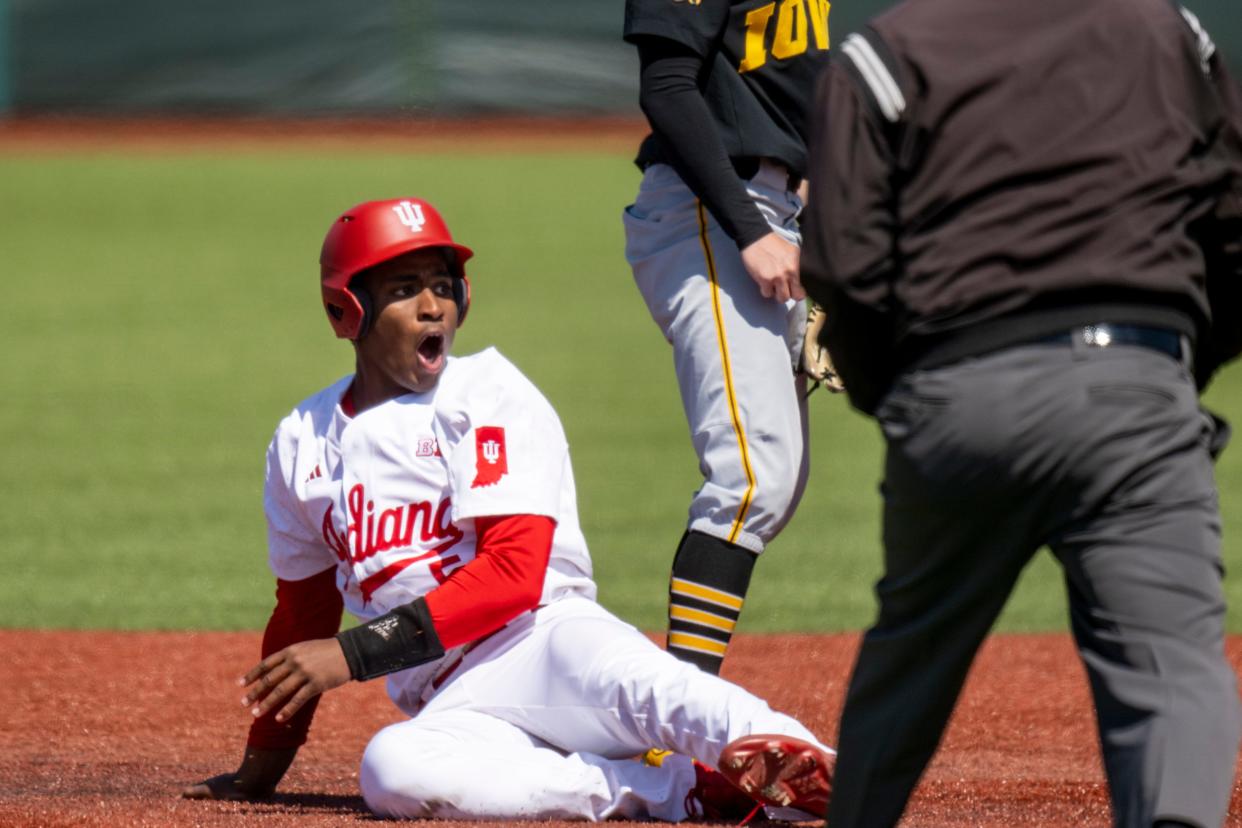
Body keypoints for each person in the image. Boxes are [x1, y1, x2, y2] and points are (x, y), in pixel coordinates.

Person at [179, 196, 835, 821]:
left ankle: (812, 763)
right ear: (346, 312)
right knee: (391, 771)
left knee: (652, 687)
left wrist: (352, 653)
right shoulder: (301, 439)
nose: (434, 305)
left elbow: (514, 573)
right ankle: (674, 790)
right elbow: (303, 615)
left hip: (546, 638)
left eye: (443, 284)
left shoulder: (487, 390)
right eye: (405, 289)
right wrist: (257, 771)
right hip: (453, 702)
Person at [799, 0, 1242, 825]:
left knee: (912, 656)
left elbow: (841, 260)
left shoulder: (882, 53)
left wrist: (896, 396)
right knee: (1172, 671)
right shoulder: (1169, 30)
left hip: (959, 392)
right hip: (1136, 389)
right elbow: (1233, 224)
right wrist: (1181, 359)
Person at [621, 0, 835, 676]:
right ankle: (675, 730)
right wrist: (751, 231)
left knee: (780, 482)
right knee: (752, 478)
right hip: (711, 210)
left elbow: (799, 94)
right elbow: (666, 85)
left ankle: (676, 719)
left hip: (779, 209)